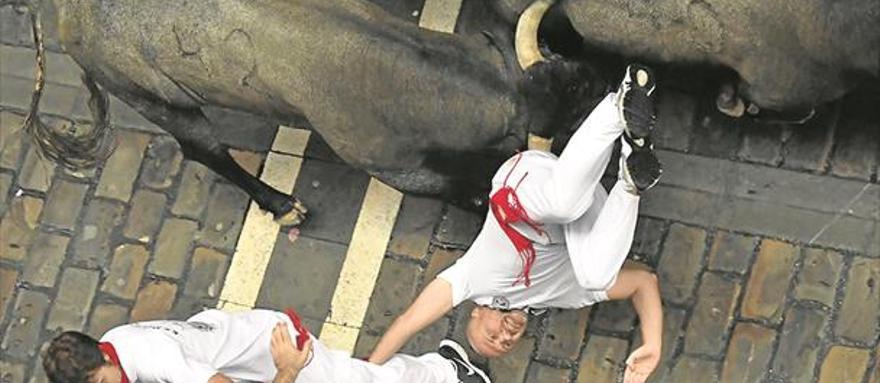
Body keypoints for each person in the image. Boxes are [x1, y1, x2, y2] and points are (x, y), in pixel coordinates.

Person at [369, 64, 665, 383]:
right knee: (594, 273)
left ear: (477, 311)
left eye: (490, 336)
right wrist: (653, 345)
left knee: (563, 204)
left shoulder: (472, 280)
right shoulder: (562, 295)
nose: (504, 339)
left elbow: (408, 321)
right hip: (580, 200)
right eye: (505, 346)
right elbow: (643, 282)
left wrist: (367, 373)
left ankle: (618, 103)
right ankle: (632, 175)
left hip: (521, 190)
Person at [42, 307, 492, 383]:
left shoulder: (155, 357)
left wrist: (288, 369)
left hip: (277, 349)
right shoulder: (110, 348)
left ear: (104, 358)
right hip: (228, 352)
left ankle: (448, 370)